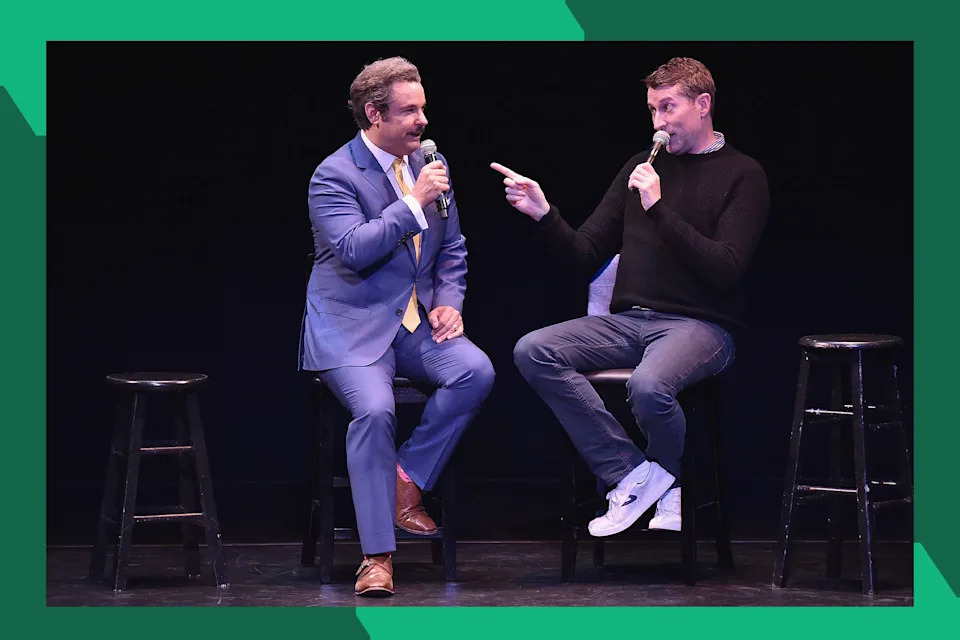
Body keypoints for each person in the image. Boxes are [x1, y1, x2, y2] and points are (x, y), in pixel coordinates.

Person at [492, 57, 769, 538]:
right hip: (628, 322)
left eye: (669, 108)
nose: (659, 123)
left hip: (702, 326)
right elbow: (585, 253)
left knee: (647, 386)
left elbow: (726, 269)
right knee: (534, 349)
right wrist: (545, 214)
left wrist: (659, 209)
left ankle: (662, 481)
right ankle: (637, 477)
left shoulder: (743, 174)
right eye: (653, 110)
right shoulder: (638, 169)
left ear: (703, 105)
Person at [300, 56, 494, 596]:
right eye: (409, 111)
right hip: (350, 327)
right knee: (376, 409)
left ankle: (404, 481)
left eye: (423, 109)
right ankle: (376, 557)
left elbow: (451, 248)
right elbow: (355, 250)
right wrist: (413, 202)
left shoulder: (430, 164)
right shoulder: (334, 174)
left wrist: (448, 301)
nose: (421, 121)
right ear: (373, 114)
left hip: (412, 325)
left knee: (475, 370)